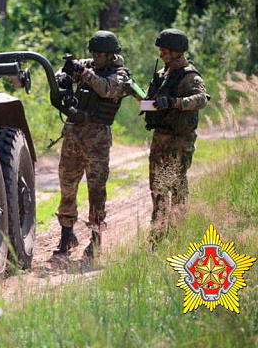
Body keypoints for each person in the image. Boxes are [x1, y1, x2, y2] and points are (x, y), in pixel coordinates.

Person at [53, 30, 131, 260]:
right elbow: (64, 74)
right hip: (73, 136)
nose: (95, 57)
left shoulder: (120, 75)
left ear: (111, 55)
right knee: (67, 185)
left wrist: (83, 73)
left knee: (96, 190)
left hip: (97, 139)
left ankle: (95, 239)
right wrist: (65, 75)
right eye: (94, 53)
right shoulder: (89, 65)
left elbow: (107, 89)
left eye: (100, 54)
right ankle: (67, 234)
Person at [145, 29, 209, 239]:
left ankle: (178, 233)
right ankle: (158, 233)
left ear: (176, 51)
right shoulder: (164, 75)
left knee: (177, 186)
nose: (161, 54)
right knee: (157, 187)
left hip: (179, 140)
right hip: (160, 139)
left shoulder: (189, 75)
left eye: (164, 50)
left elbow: (201, 99)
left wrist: (177, 103)